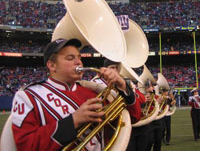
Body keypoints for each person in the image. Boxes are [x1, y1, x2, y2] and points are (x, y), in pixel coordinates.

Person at [10, 38, 139, 151]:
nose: (79, 62)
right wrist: (73, 121)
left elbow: (134, 117)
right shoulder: (29, 96)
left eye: (79, 57)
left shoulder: (94, 92)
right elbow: (27, 146)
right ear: (52, 65)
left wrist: (122, 86)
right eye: (70, 58)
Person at [147, 81, 165, 151]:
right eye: (151, 86)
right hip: (149, 121)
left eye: (153, 86)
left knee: (158, 141)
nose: (153, 87)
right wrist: (156, 103)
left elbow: (162, 108)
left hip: (158, 121)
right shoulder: (145, 97)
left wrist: (164, 102)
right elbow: (146, 110)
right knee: (149, 141)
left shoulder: (156, 96)